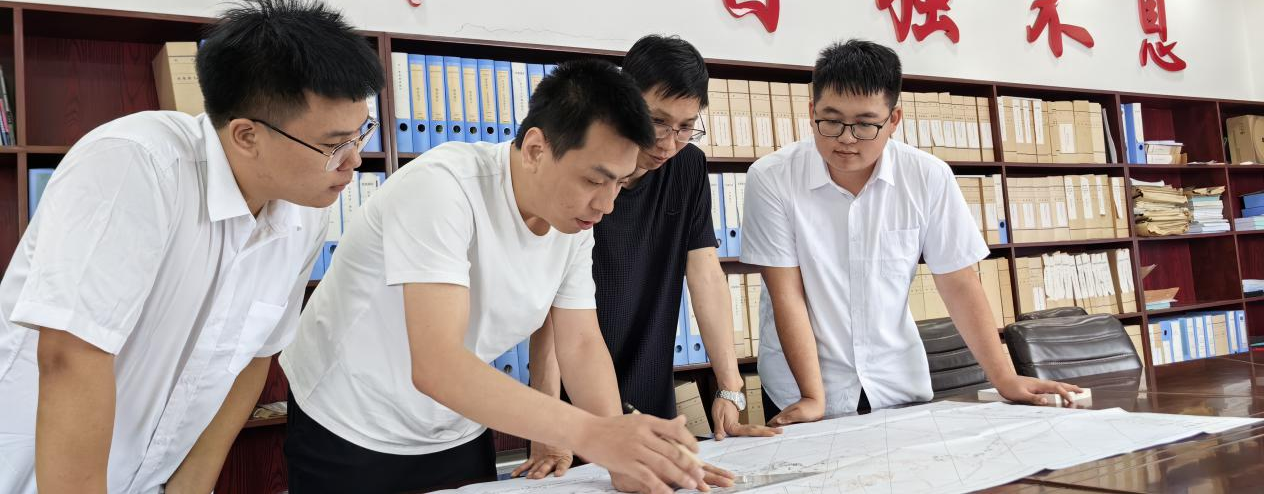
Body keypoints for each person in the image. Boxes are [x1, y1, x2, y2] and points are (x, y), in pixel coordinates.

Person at [0, 0, 383, 493]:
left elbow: (255, 357)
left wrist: (190, 485)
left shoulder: (303, 211)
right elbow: (71, 356)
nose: (355, 161)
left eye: (362, 133)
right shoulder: (136, 164)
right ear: (246, 135)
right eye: (335, 145)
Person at [279, 59, 714, 494]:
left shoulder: (574, 222)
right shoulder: (442, 188)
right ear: (536, 149)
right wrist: (592, 435)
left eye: (619, 183)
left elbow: (580, 343)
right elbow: (437, 365)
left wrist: (623, 454)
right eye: (593, 180)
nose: (607, 204)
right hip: (350, 421)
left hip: (455, 422)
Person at [740, 39, 1080, 426]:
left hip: (896, 382)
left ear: (894, 119)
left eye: (865, 123)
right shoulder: (772, 177)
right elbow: (786, 293)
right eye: (831, 121)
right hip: (798, 389)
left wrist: (1003, 378)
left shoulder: (927, 176)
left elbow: (958, 281)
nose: (846, 138)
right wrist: (812, 396)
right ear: (811, 111)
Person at [515, 35, 778, 482]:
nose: (669, 143)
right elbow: (552, 309)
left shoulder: (687, 167)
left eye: (685, 127)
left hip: (650, 384)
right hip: (573, 399)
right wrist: (549, 420)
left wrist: (730, 387)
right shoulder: (579, 169)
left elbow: (705, 274)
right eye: (657, 121)